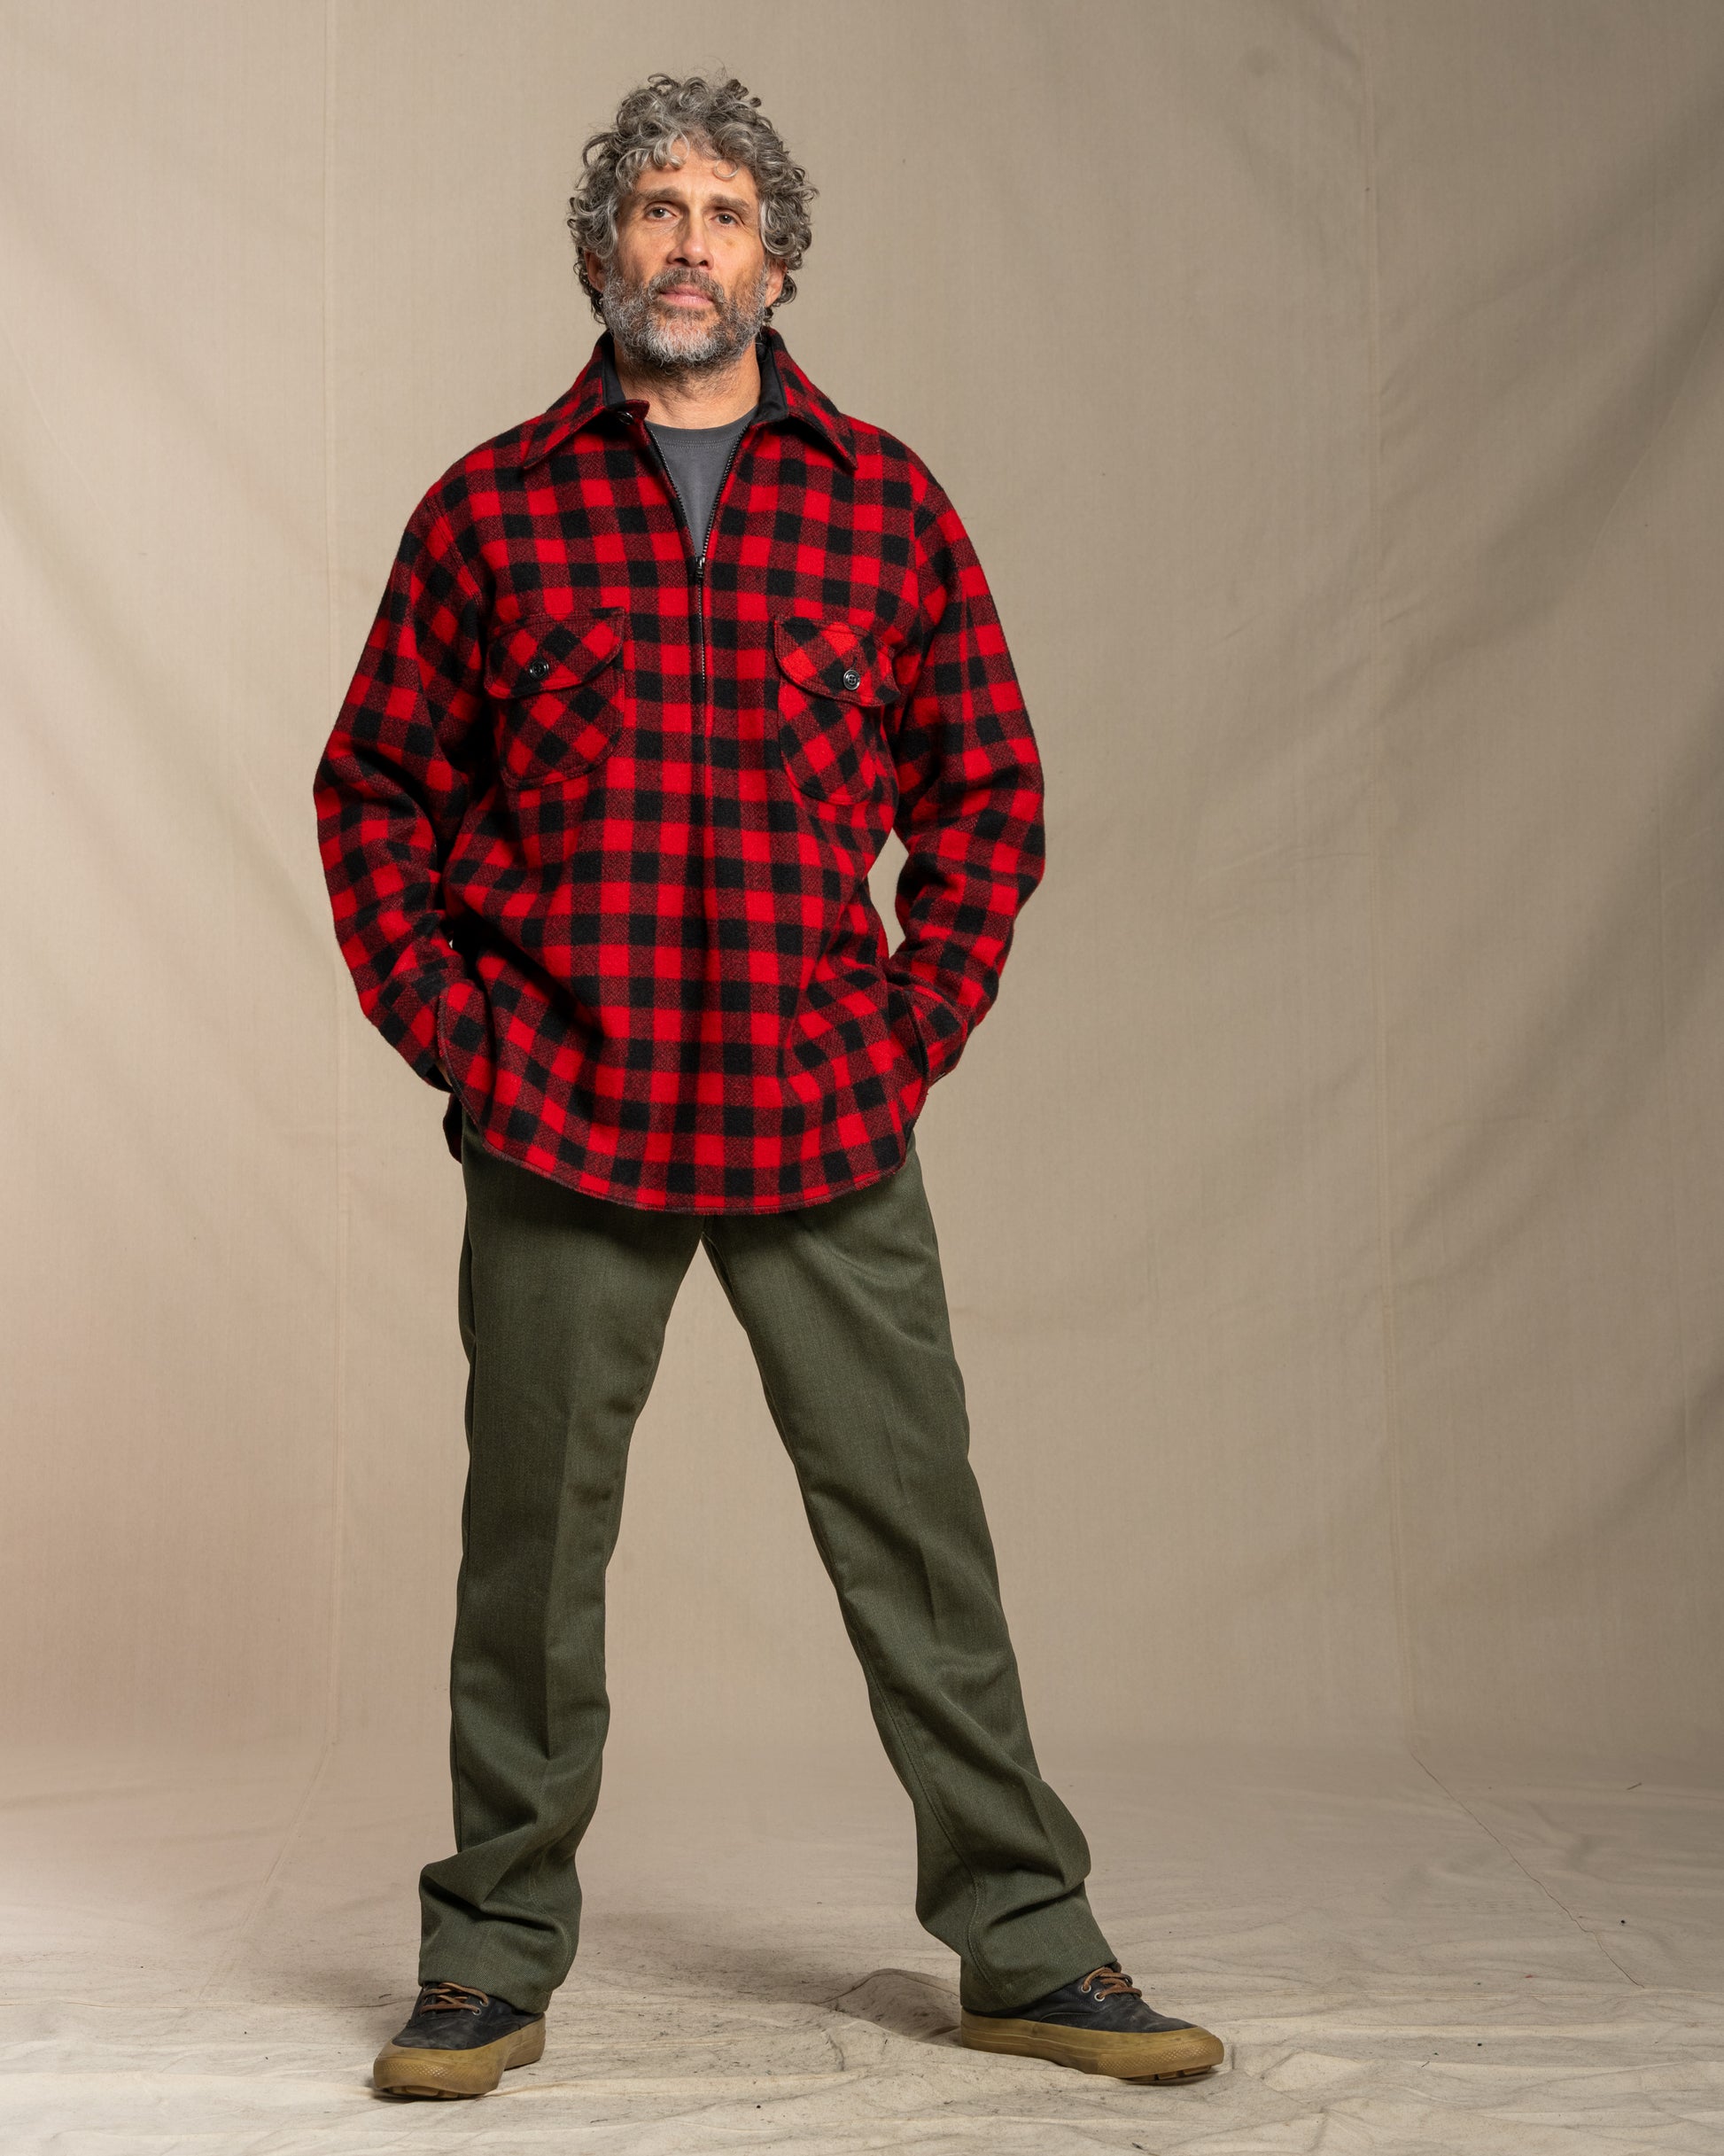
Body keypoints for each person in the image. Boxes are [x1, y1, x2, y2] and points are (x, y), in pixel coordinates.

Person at [314, 71, 1223, 2101]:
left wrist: (909, 1028)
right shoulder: (489, 506)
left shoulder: (886, 501)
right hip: (565, 1109)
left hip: (822, 1108)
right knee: (526, 1562)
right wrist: (460, 1037)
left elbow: (984, 794)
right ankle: (487, 1957)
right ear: (599, 255)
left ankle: (1025, 1942)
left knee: (919, 1540)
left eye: (724, 210)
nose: (688, 242)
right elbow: (374, 788)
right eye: (653, 208)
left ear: (779, 260)